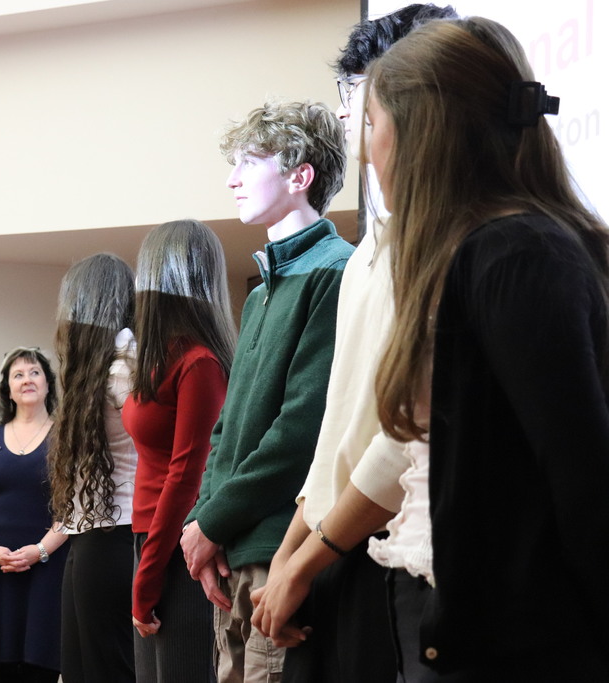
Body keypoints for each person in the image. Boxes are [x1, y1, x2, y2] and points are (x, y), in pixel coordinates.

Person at [364, 16, 609, 680]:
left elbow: (583, 478)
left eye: (373, 124)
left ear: (421, 136)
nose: (367, 150)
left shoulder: (516, 255)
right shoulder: (490, 253)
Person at [249, 6, 457, 683]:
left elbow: (396, 439)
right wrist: (287, 559)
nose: (349, 116)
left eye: (361, 95)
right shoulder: (371, 247)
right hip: (331, 538)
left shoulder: (444, 246)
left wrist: (304, 562)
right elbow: (336, 432)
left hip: (385, 545)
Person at [178, 100, 351, 683]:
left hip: (281, 546)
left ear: (300, 175)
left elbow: (302, 429)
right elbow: (225, 428)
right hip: (232, 550)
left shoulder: (336, 272)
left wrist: (211, 524)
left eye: (249, 162)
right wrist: (203, 522)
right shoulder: (259, 293)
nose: (232, 178)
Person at [122, 218, 237, 683]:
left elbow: (186, 477)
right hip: (149, 539)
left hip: (178, 548)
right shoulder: (159, 358)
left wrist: (146, 581)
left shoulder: (199, 363)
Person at [47, 253, 138, 683]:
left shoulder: (125, 364)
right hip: (90, 536)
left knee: (109, 670)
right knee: (79, 670)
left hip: (119, 533)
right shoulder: (93, 367)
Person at [0, 347, 69, 683]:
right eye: (17, 375)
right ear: (7, 388)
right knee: (2, 670)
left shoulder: (66, 437)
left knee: (41, 668)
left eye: (34, 372)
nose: (27, 380)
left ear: (48, 384)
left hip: (49, 571)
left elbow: (76, 504)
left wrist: (41, 551)